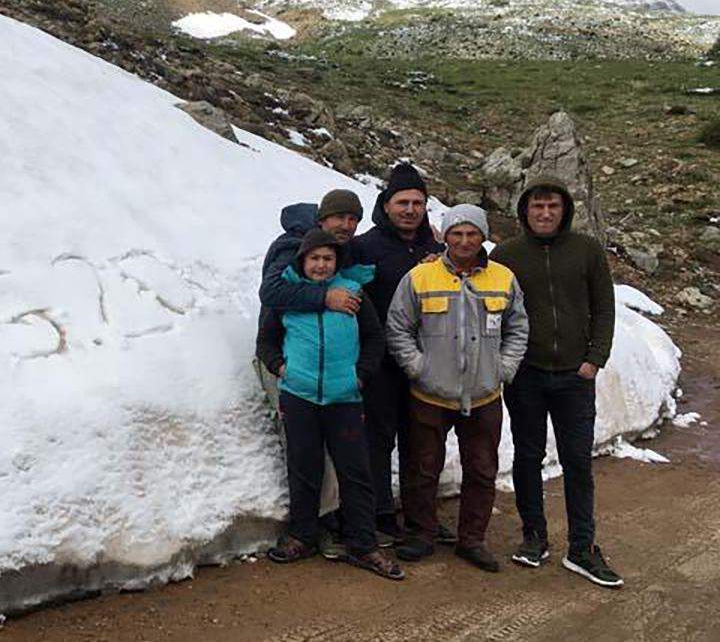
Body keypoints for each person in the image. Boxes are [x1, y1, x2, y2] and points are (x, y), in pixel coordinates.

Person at [491, 176, 623, 588]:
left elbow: (604, 307)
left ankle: (582, 547)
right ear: (524, 211)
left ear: (564, 209)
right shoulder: (507, 254)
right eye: (537, 207)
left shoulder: (586, 250)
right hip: (526, 375)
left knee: (578, 462)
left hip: (574, 375)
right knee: (527, 457)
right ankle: (534, 536)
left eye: (552, 206)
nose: (545, 213)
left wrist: (594, 359)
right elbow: (492, 307)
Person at [385, 204, 529, 572]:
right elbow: (398, 327)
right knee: (422, 468)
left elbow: (518, 328)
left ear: (483, 237)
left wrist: (505, 367)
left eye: (472, 234)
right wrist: (418, 367)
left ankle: (472, 539)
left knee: (481, 469)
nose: (464, 241)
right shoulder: (420, 277)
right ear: (444, 236)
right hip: (430, 394)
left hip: (483, 395)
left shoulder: (502, 278)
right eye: (457, 233)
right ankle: (421, 533)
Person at [261, 229, 404, 580]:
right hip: (300, 396)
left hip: (345, 397)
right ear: (303, 261)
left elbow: (374, 337)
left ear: (336, 262)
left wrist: (360, 375)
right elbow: (266, 341)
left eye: (328, 258)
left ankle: (362, 544)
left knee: (355, 471)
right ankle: (302, 535)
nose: (321, 265)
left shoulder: (353, 293)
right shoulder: (289, 297)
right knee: (304, 466)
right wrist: (283, 369)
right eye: (315, 258)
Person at [255, 188, 365, 558]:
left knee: (332, 452)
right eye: (339, 218)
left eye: (353, 219)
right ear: (322, 219)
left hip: (331, 368)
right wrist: (324, 298)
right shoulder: (292, 246)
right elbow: (271, 292)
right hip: (291, 358)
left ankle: (325, 522)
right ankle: (313, 527)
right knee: (304, 450)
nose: (346, 226)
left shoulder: (336, 252)